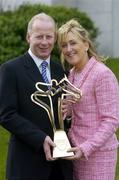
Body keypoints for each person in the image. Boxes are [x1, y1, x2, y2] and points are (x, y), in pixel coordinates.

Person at [0, 13, 73, 180]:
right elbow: (6, 115)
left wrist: (68, 114)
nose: (45, 42)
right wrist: (40, 138)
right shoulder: (10, 69)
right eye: (39, 36)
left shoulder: (61, 70)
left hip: (60, 166)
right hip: (27, 163)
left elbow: (64, 115)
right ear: (28, 37)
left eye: (49, 36)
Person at [58, 19, 119, 180]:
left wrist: (86, 148)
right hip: (75, 151)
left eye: (73, 43)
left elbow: (111, 120)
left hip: (98, 154)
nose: (69, 49)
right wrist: (67, 111)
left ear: (86, 44)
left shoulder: (102, 74)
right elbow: (81, 110)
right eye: (64, 45)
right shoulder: (71, 74)